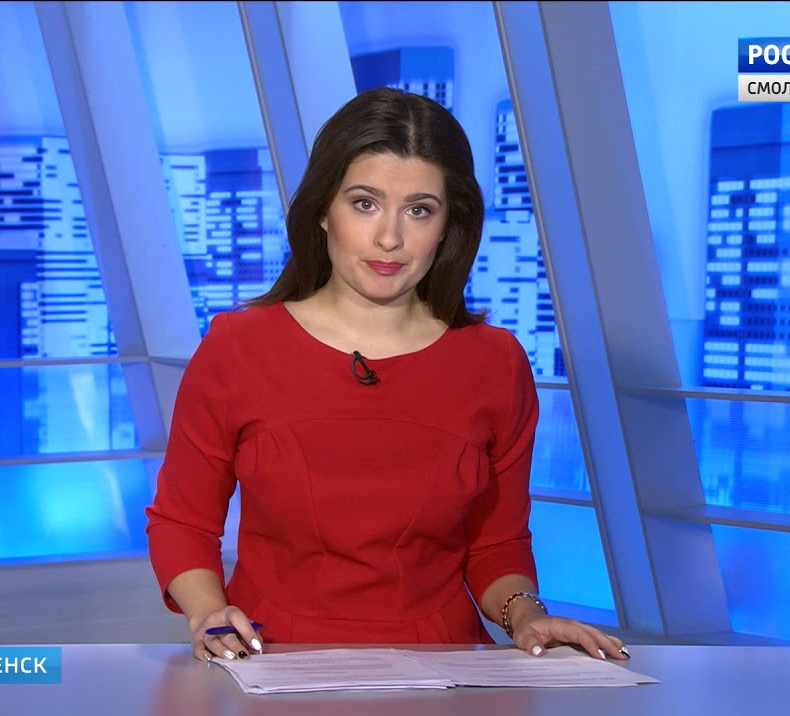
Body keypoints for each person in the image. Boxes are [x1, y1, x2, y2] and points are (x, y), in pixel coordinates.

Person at [145, 87, 627, 664]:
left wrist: (527, 617)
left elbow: (495, 544)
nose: (390, 238)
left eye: (419, 210)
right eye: (365, 203)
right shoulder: (237, 348)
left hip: (446, 670)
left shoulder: (495, 363)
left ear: (448, 225)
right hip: (272, 661)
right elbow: (182, 522)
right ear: (323, 209)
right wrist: (208, 613)